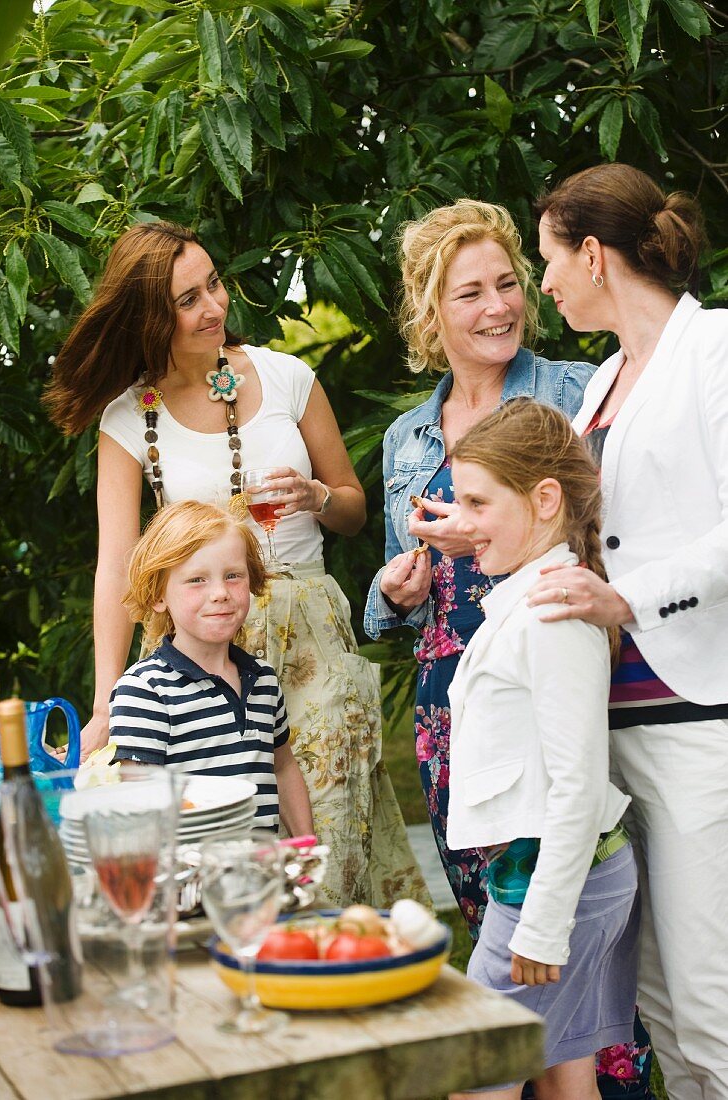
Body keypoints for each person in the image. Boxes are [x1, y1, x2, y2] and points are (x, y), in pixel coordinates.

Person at [44, 219, 429, 909]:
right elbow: (116, 566)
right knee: (209, 859)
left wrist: (315, 496)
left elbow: (352, 509)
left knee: (324, 848)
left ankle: (338, 985)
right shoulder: (131, 418)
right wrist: (106, 700)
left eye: (213, 284)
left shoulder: (287, 376)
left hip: (309, 637)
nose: (213, 307)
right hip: (196, 651)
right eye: (187, 300)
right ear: (149, 318)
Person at [528, 163, 728, 1100]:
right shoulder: (603, 377)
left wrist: (631, 600)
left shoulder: (715, 349)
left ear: (594, 255)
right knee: (652, 1000)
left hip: (697, 719)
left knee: (707, 998)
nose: (545, 284)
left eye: (549, 259)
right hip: (609, 725)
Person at [364, 200, 594, 933]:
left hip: (547, 667)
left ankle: (611, 1052)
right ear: (430, 312)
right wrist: (397, 593)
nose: (498, 307)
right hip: (449, 692)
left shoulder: (576, 391)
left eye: (507, 283)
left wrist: (495, 538)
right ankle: (520, 1048)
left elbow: (608, 537)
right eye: (470, 294)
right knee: (485, 902)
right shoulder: (406, 437)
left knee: (567, 900)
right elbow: (384, 598)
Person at [447, 399, 638, 1100]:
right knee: (564, 1078)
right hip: (554, 879)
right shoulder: (526, 596)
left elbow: (577, 784)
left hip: (556, 887)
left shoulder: (552, 613)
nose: (461, 523)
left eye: (477, 501)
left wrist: (543, 926)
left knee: (471, 1076)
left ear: (545, 499)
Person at [109, 500, 313, 836]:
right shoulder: (145, 691)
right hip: (191, 882)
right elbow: (138, 808)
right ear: (159, 595)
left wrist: (306, 846)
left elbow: (283, 767)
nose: (220, 593)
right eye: (197, 580)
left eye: (233, 576)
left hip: (261, 878)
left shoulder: (263, 681)